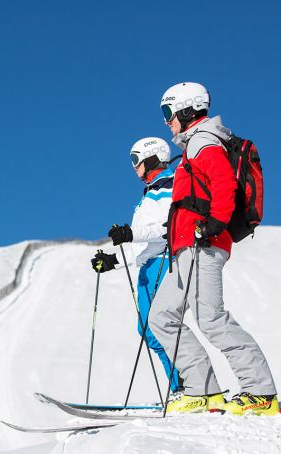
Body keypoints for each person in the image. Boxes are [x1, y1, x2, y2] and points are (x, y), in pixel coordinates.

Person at [148, 82, 279, 415]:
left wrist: (215, 223)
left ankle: (260, 392)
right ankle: (203, 391)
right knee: (162, 317)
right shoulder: (194, 145)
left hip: (203, 243)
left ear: (186, 110)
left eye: (168, 112)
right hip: (185, 248)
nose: (166, 121)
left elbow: (223, 184)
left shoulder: (204, 141)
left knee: (211, 319)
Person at [91, 137, 182, 394]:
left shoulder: (169, 187)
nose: (134, 167)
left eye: (135, 160)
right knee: (148, 330)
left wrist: (132, 233)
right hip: (149, 265)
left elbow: (166, 228)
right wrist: (112, 261)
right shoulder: (151, 193)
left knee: (160, 327)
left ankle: (187, 388)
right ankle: (180, 388)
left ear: (150, 158)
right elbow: (143, 245)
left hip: (164, 263)